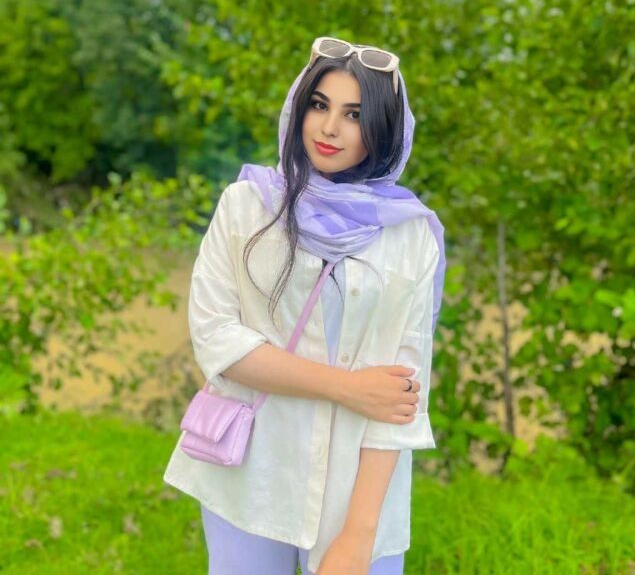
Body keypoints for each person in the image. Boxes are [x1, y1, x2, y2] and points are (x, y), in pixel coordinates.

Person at [163, 36, 446, 575]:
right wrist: (348, 387)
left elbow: (401, 398)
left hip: (357, 487)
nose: (329, 128)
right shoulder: (248, 206)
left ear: (383, 129)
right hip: (251, 473)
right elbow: (219, 340)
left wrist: (359, 534)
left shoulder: (411, 236)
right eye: (319, 105)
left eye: (354, 115)